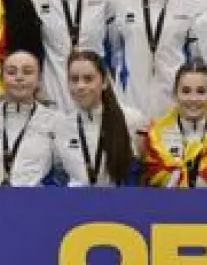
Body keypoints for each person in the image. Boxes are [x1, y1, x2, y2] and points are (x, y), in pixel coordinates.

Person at [108, 0, 205, 120]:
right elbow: (112, 55)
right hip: (129, 113)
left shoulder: (190, 4)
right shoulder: (119, 1)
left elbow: (197, 62)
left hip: (175, 115)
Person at [142, 60, 207, 188]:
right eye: (186, 91)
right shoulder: (155, 134)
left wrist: (181, 177)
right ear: (175, 94)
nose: (193, 99)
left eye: (201, 91)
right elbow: (159, 178)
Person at [54, 49, 148, 187]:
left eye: (88, 79)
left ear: (104, 82)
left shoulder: (133, 120)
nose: (80, 86)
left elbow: (145, 173)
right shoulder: (61, 126)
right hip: (77, 201)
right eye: (74, 79)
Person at [0, 49, 61, 187]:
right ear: (2, 78)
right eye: (11, 72)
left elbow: (62, 174)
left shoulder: (55, 121)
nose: (19, 77)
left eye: (27, 72)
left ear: (39, 79)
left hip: (37, 200)